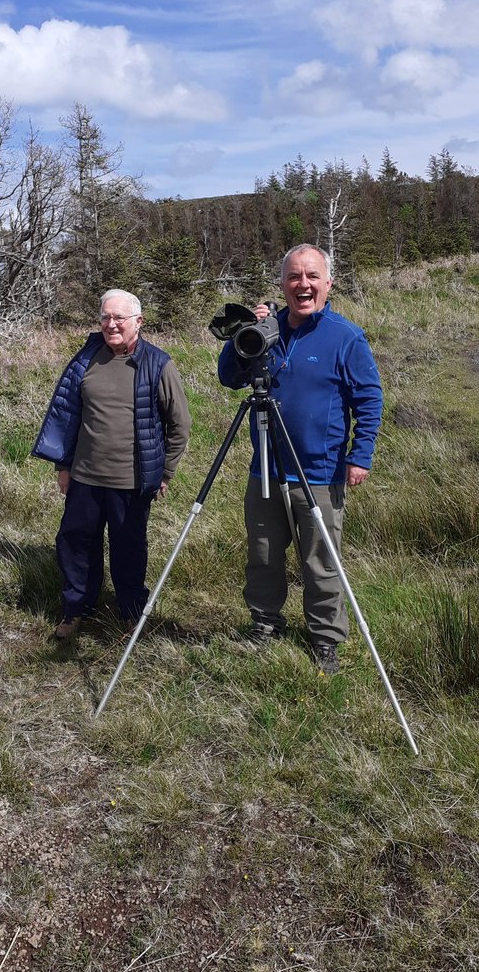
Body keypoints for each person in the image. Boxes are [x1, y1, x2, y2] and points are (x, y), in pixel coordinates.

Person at [218, 244, 383, 673]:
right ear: (283, 284)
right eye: (294, 277)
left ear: (328, 283)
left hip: (320, 473)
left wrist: (359, 455)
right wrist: (247, 333)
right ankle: (264, 623)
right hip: (266, 469)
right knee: (263, 553)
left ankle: (325, 638)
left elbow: (369, 399)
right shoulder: (268, 330)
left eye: (312, 276)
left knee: (320, 560)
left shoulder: (346, 337)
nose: (302, 285)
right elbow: (229, 377)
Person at [33, 289, 191, 638]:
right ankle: (76, 609)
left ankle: (132, 613)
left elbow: (180, 424)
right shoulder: (87, 357)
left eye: (119, 317)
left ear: (139, 322)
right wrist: (63, 466)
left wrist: (165, 471)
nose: (111, 324)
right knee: (75, 543)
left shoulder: (158, 363)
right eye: (105, 317)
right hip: (85, 477)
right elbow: (70, 415)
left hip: (132, 481)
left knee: (129, 549)